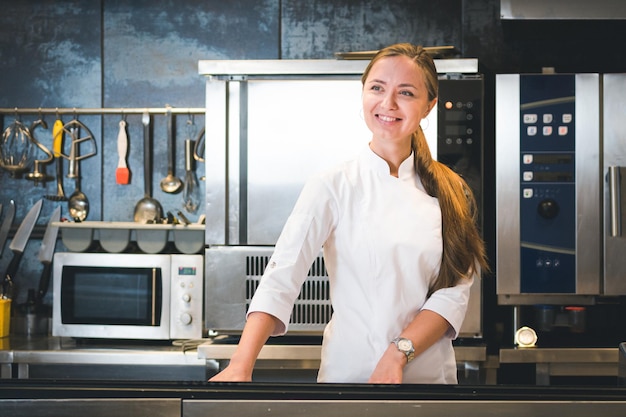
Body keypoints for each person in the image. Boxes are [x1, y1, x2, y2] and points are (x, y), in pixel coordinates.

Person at [209, 43, 488, 384]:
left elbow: (453, 293)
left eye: (406, 93)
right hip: (349, 382)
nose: (388, 104)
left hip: (428, 384)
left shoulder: (451, 191)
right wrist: (241, 363)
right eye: (377, 88)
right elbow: (281, 276)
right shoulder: (332, 185)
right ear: (363, 94)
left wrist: (397, 354)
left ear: (429, 106)